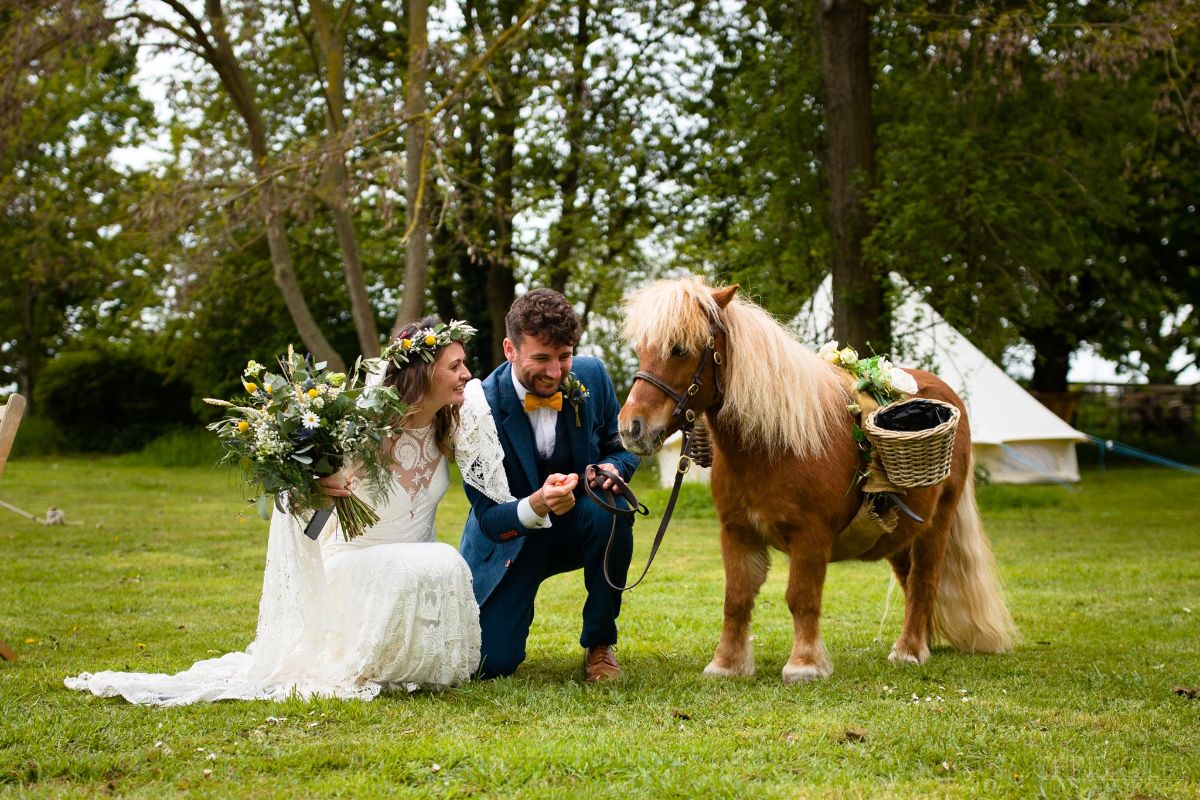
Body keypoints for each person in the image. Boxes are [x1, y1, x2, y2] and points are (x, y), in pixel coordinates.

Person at [66, 317, 513, 705]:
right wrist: (316, 491)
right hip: (352, 566)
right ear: (422, 370)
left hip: (409, 563)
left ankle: (417, 666)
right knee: (436, 559)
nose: (466, 374)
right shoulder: (364, 430)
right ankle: (372, 661)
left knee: (435, 559)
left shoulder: (452, 426)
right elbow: (303, 518)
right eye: (455, 365)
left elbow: (492, 491)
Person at [460, 289, 639, 682]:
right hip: (511, 537)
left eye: (564, 356)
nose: (556, 372)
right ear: (510, 349)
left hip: (582, 525)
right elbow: (489, 517)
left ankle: (599, 644)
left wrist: (611, 468)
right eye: (541, 358)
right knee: (492, 664)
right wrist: (537, 503)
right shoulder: (477, 407)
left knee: (613, 511)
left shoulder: (591, 375)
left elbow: (620, 446)